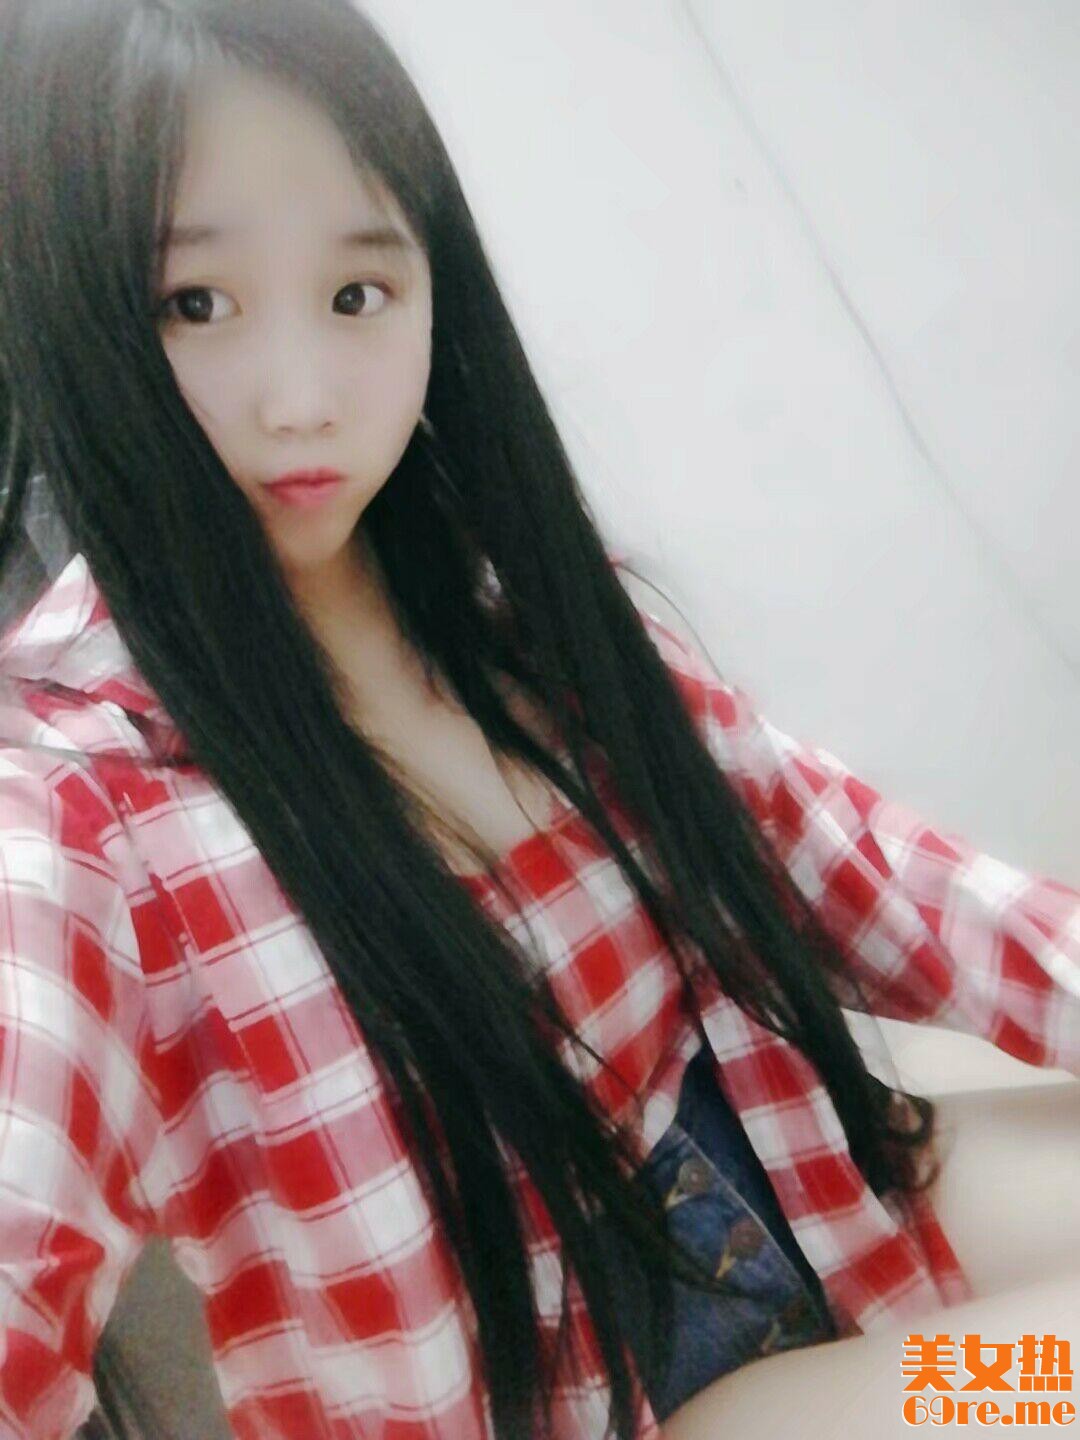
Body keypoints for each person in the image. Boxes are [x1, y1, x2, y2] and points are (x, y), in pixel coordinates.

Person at [0, 2, 1076, 1438]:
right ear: (74, 319)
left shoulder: (521, 613)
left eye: (358, 293)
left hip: (812, 1189)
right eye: (196, 303)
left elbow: (862, 873)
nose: (302, 400)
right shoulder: (74, 804)